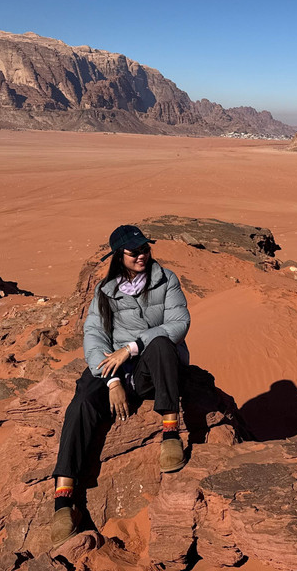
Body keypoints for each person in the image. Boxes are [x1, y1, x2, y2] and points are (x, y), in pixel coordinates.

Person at [51, 224, 191, 545]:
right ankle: (62, 500)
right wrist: (111, 379)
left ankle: (170, 433)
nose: (142, 255)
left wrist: (131, 348)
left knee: (160, 344)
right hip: (115, 366)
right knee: (83, 402)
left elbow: (178, 324)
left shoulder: (166, 279)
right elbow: (93, 336)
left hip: (151, 364)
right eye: (134, 252)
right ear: (119, 256)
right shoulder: (106, 290)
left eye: (144, 249)